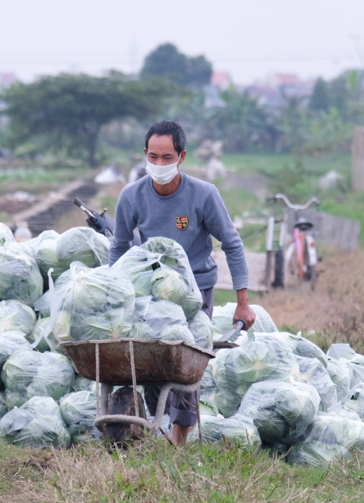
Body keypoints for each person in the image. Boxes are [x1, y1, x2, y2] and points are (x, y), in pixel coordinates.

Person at [108, 120, 255, 445]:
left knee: (185, 363)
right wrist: (113, 293)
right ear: (144, 155)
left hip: (194, 293)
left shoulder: (203, 195)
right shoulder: (131, 196)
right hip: (149, 290)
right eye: (153, 157)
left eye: (167, 157)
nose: (159, 165)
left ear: (181, 157)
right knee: (148, 358)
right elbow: (119, 246)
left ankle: (179, 438)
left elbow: (231, 242)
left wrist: (242, 301)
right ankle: (147, 425)